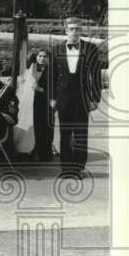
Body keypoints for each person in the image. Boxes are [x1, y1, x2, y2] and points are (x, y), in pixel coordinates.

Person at [48, 18, 103, 174]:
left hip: (82, 97)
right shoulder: (56, 49)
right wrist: (52, 98)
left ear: (81, 30)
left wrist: (95, 98)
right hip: (63, 97)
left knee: (80, 135)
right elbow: (51, 75)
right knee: (65, 135)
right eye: (71, 29)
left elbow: (96, 75)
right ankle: (66, 169)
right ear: (66, 30)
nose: (74, 32)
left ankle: (78, 169)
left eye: (77, 29)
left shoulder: (90, 48)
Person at [26, 48, 54, 162]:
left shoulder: (52, 70)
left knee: (46, 127)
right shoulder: (30, 68)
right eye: (39, 56)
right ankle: (34, 150)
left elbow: (55, 89)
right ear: (35, 57)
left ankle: (46, 154)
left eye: (44, 56)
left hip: (47, 102)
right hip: (32, 102)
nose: (42, 58)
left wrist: (40, 89)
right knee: (35, 127)